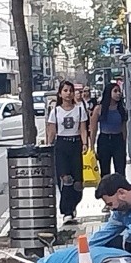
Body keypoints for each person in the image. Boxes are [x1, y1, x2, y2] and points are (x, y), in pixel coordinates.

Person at [46, 80, 88, 224]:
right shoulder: (55, 111)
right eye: (65, 90)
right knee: (65, 179)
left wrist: (85, 143)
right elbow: (51, 131)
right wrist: (48, 146)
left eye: (70, 90)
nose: (68, 93)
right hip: (61, 145)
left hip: (76, 144)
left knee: (77, 183)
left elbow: (83, 128)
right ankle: (66, 211)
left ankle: (74, 203)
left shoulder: (80, 110)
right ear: (60, 93)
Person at [90, 83, 128, 178]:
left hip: (118, 139)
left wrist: (124, 144)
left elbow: (124, 128)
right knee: (105, 171)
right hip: (104, 140)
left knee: (120, 170)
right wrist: (91, 146)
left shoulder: (122, 110)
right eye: (115, 91)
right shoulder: (99, 109)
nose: (118, 93)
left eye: (119, 91)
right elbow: (93, 128)